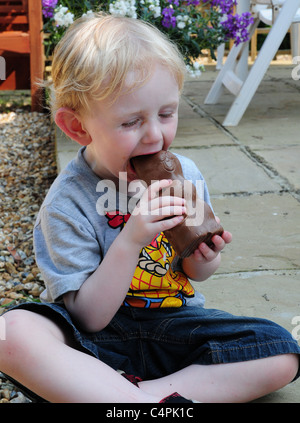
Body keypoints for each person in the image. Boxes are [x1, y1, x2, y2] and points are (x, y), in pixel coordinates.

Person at [0, 13, 299, 403]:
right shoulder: (67, 203)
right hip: (98, 344)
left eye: (166, 113)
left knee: (281, 351)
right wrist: (131, 239)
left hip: (178, 328)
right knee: (13, 331)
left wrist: (205, 257)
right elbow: (89, 318)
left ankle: (137, 399)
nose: (155, 135)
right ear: (77, 128)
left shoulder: (184, 174)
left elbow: (195, 274)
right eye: (131, 122)